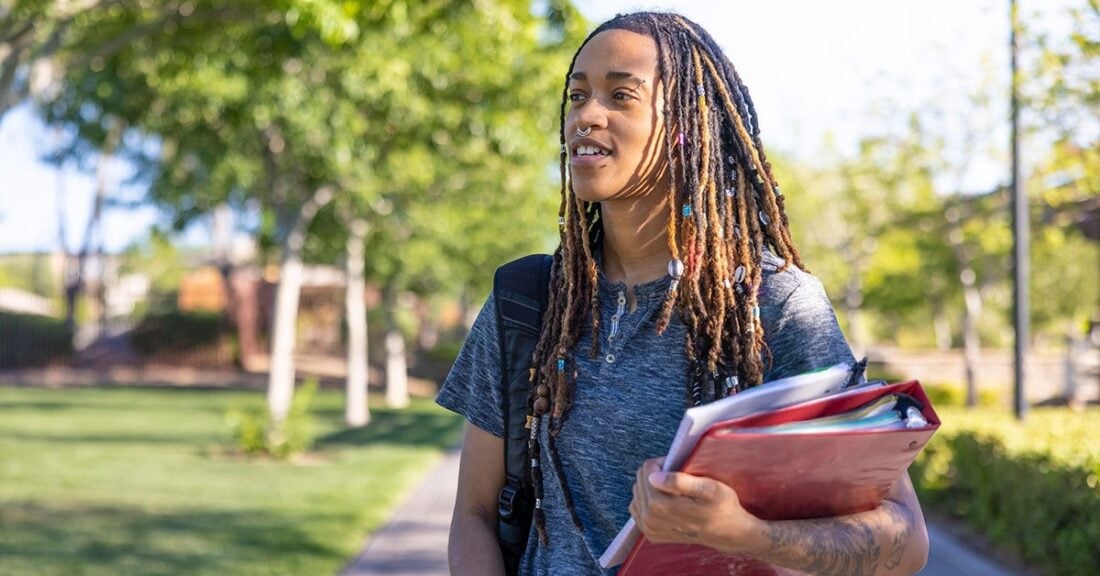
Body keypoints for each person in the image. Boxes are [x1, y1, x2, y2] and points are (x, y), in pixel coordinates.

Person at [438, 11, 929, 576]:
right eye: (577, 96)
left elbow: (905, 540)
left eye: (621, 95)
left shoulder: (775, 306)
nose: (586, 115)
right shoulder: (527, 300)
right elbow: (473, 513)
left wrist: (745, 534)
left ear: (686, 128)